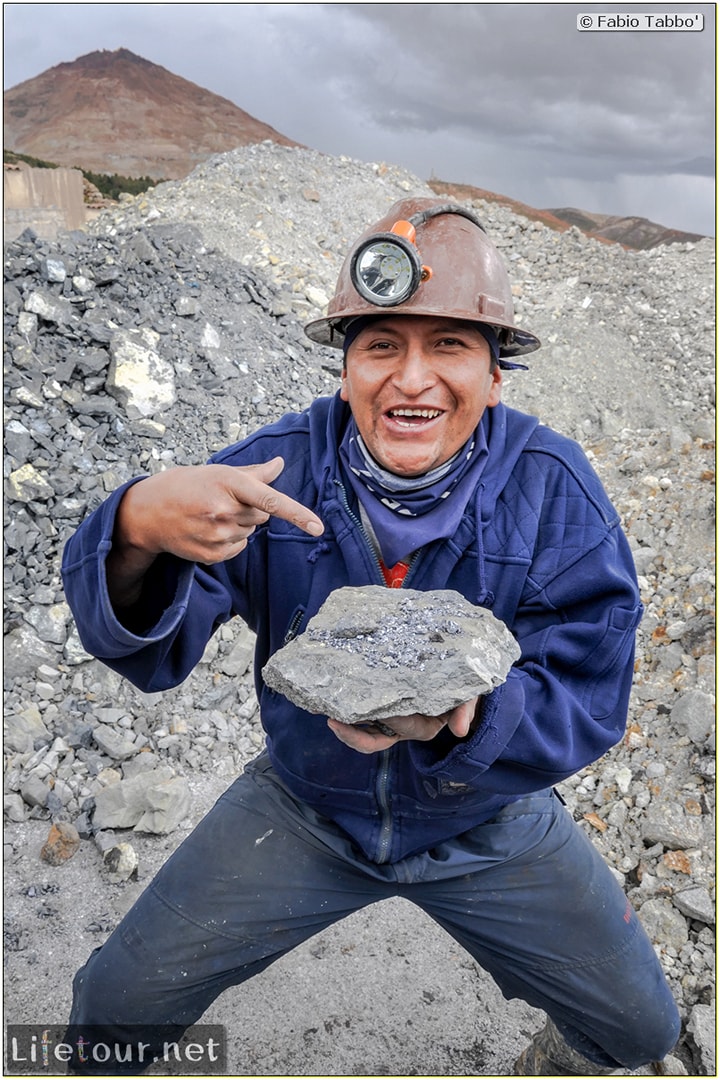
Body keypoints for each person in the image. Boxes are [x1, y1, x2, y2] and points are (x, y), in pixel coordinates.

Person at [61, 197, 680, 1075]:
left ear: (497, 374)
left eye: (451, 345)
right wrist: (133, 528)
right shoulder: (278, 468)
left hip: (486, 819)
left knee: (643, 1031)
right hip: (309, 805)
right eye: (382, 345)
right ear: (344, 366)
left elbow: (590, 687)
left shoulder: (552, 485)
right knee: (105, 1014)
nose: (412, 378)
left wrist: (461, 722)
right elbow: (154, 646)